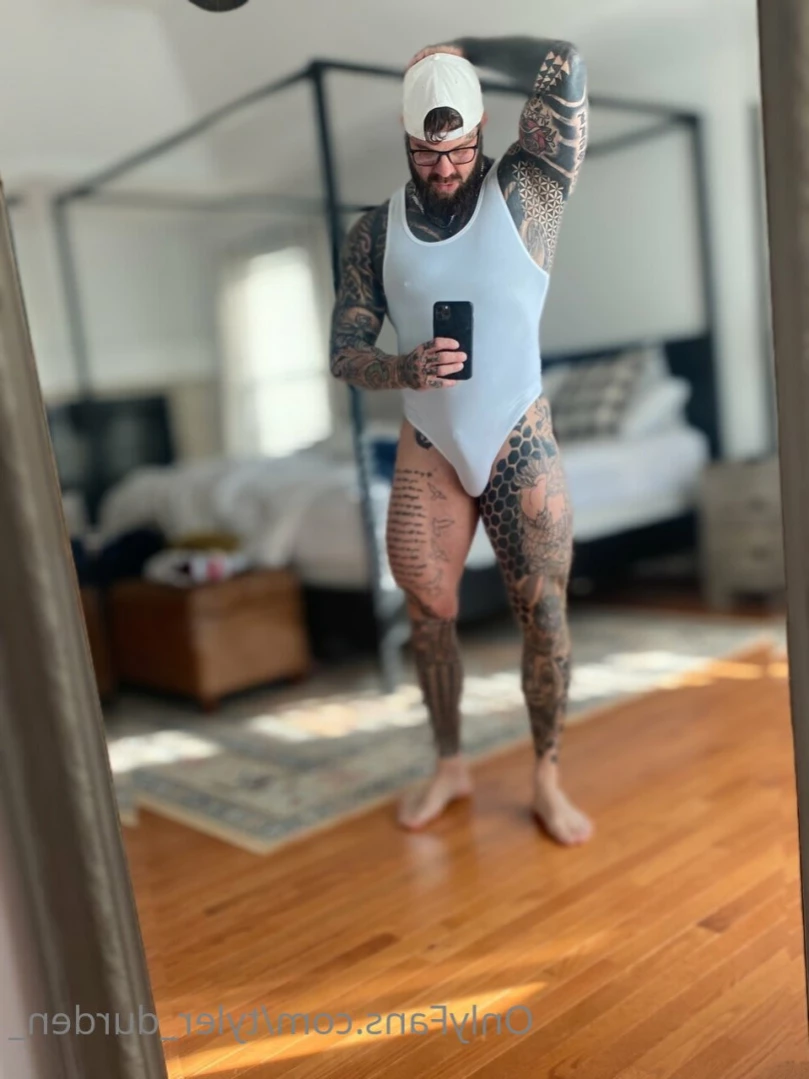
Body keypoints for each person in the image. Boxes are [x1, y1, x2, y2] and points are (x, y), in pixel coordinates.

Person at [329, 35, 592, 846]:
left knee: (542, 614)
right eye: (424, 153)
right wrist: (400, 366)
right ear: (404, 140)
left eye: (458, 150)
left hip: (517, 432)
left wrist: (464, 49)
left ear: (482, 132)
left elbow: (565, 64)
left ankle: (546, 775)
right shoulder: (373, 232)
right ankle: (449, 763)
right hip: (428, 439)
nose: (442, 168)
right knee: (427, 612)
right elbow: (345, 352)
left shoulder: (527, 188)